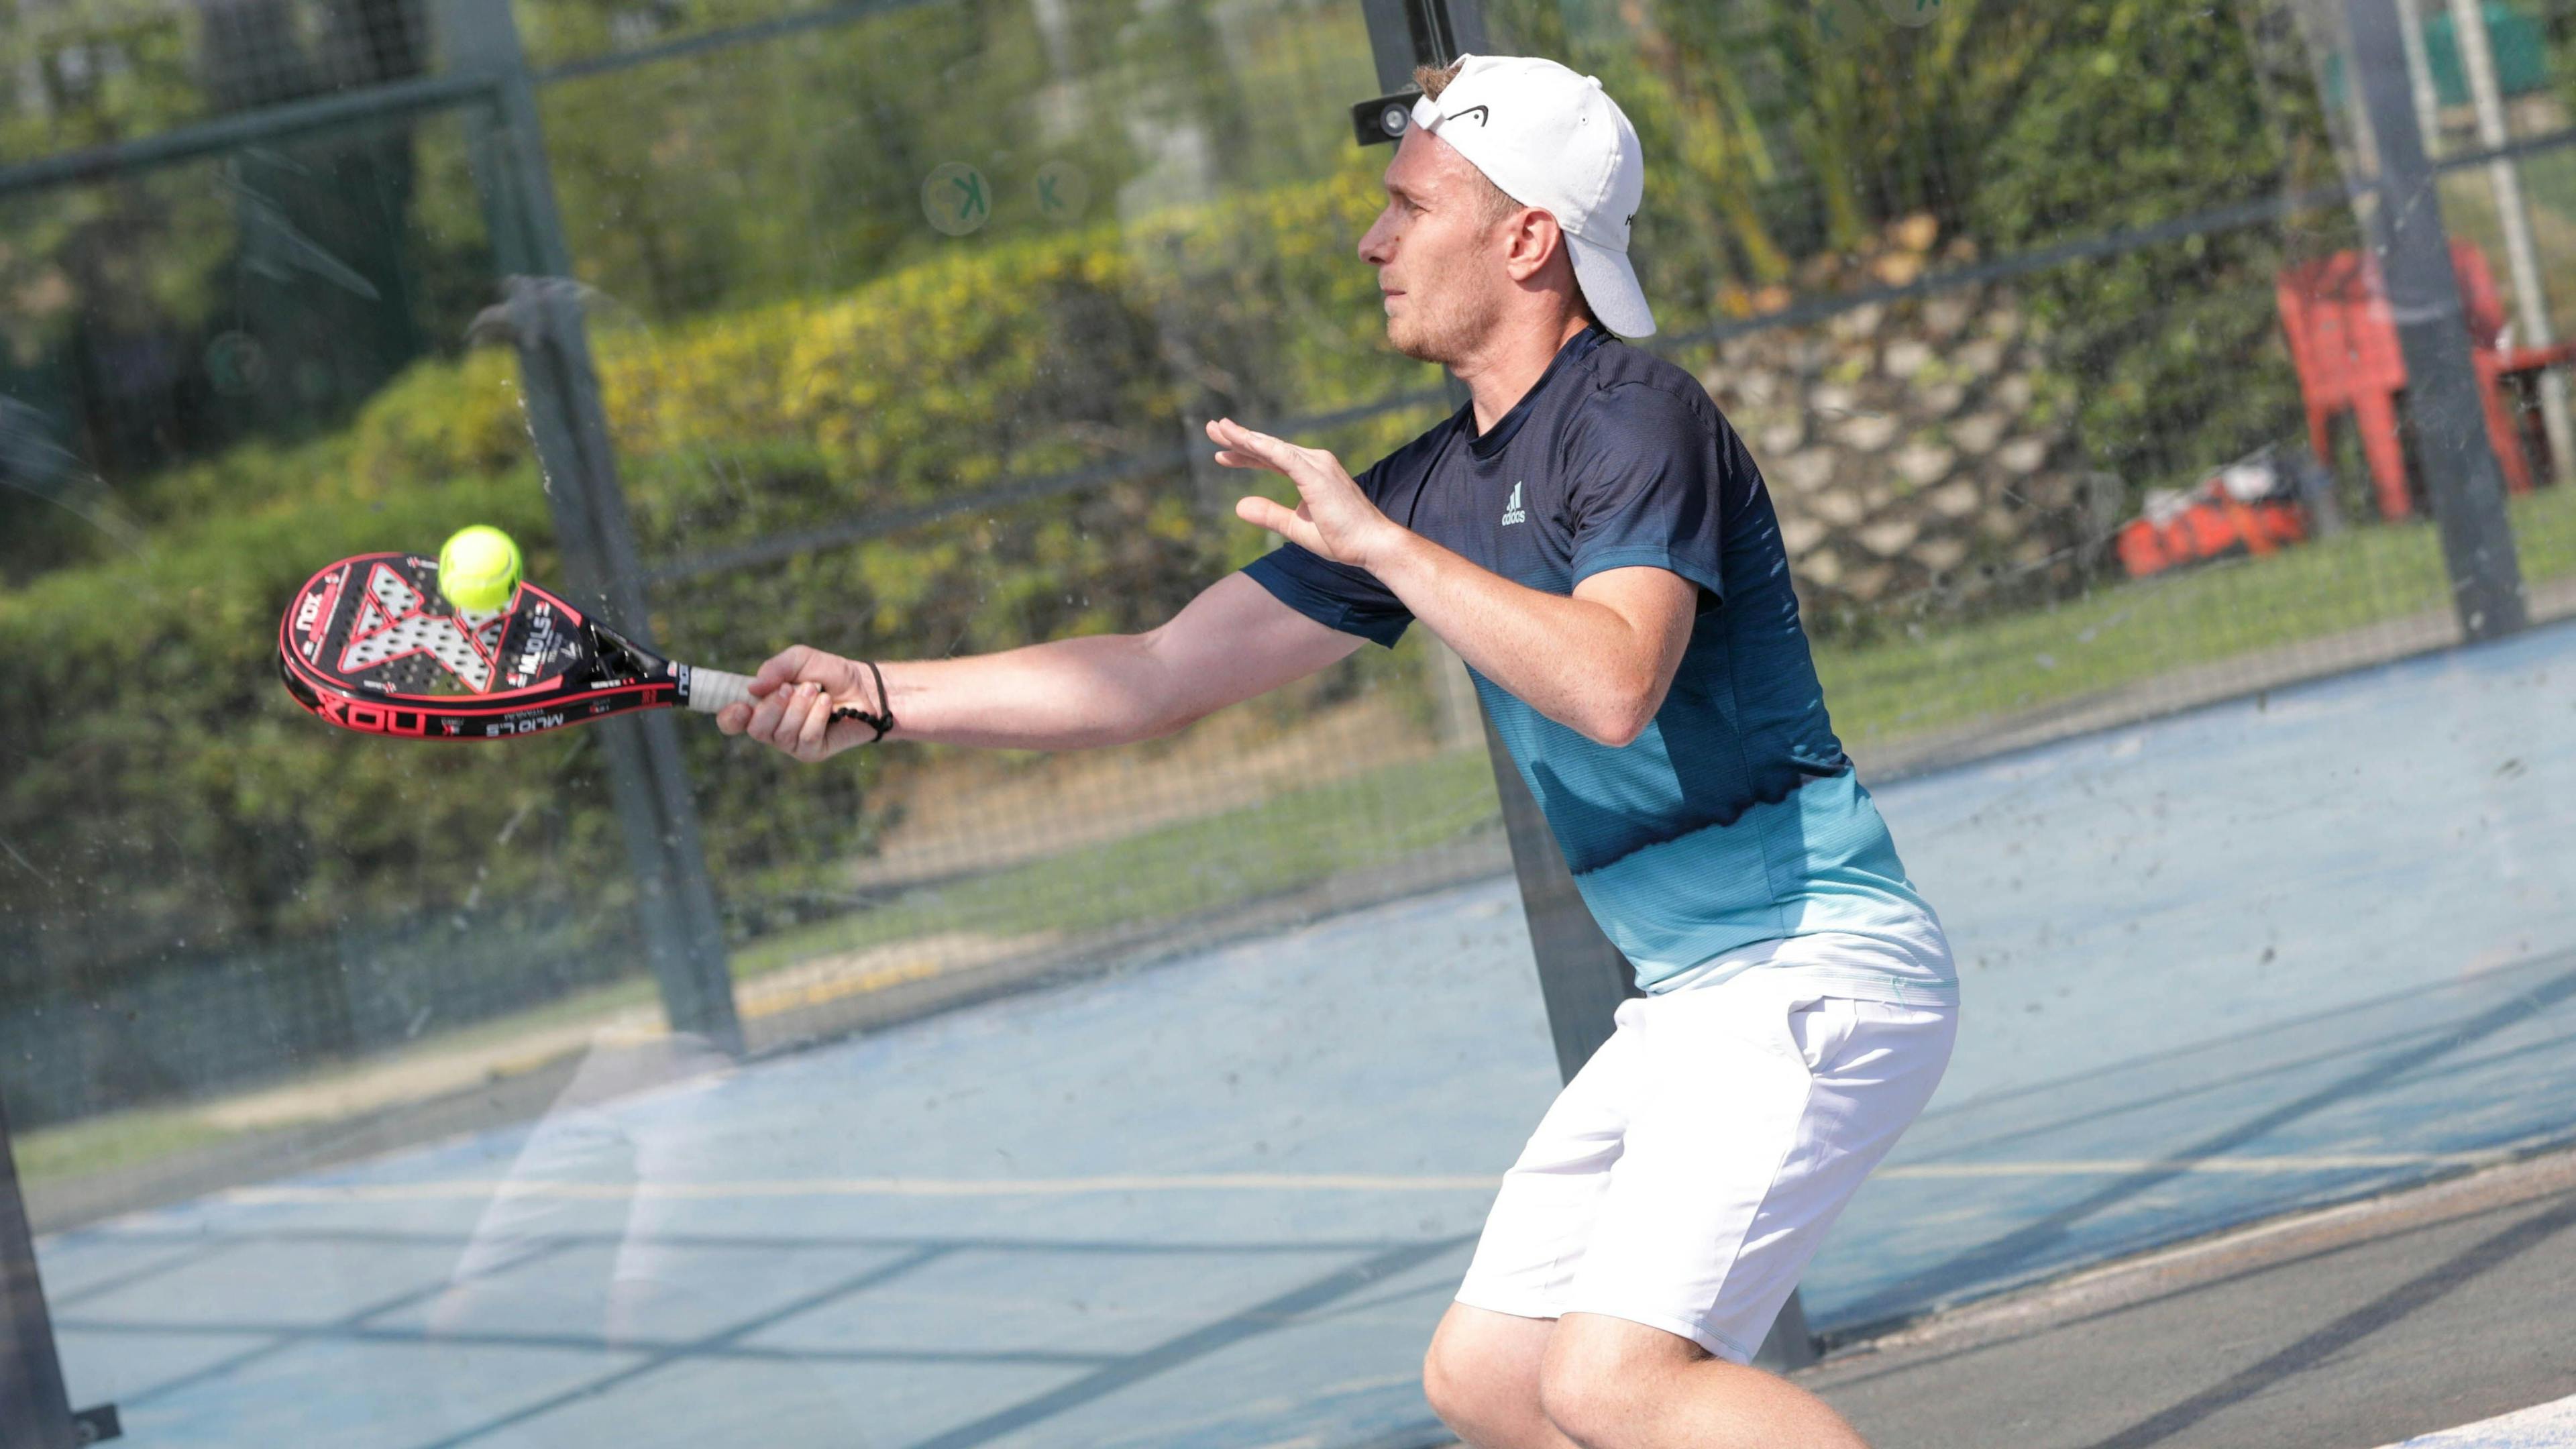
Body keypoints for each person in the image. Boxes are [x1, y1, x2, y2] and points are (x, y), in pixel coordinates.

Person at [720, 52, 1957, 1449]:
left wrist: (1381, 549)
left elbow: (1613, 684)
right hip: (1693, 996)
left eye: (1410, 207)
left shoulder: (1636, 417)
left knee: (1614, 1383)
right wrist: (883, 691)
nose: (1371, 241)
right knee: (1490, 1380)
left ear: (1528, 239)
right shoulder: (1434, 483)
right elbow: (1151, 676)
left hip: (1810, 964)